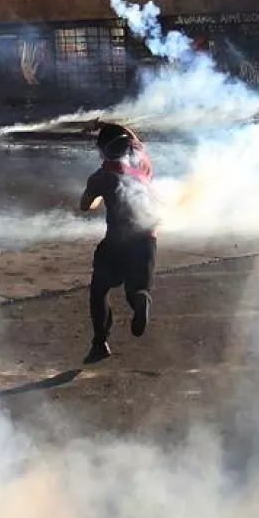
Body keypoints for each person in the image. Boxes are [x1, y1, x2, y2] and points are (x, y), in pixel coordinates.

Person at [78, 125, 161, 364]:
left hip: (117, 240)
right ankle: (140, 300)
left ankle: (100, 343)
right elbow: (131, 135)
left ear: (103, 151)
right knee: (137, 288)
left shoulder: (101, 177)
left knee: (100, 290)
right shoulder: (139, 156)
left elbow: (85, 205)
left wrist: (96, 200)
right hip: (147, 236)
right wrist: (108, 125)